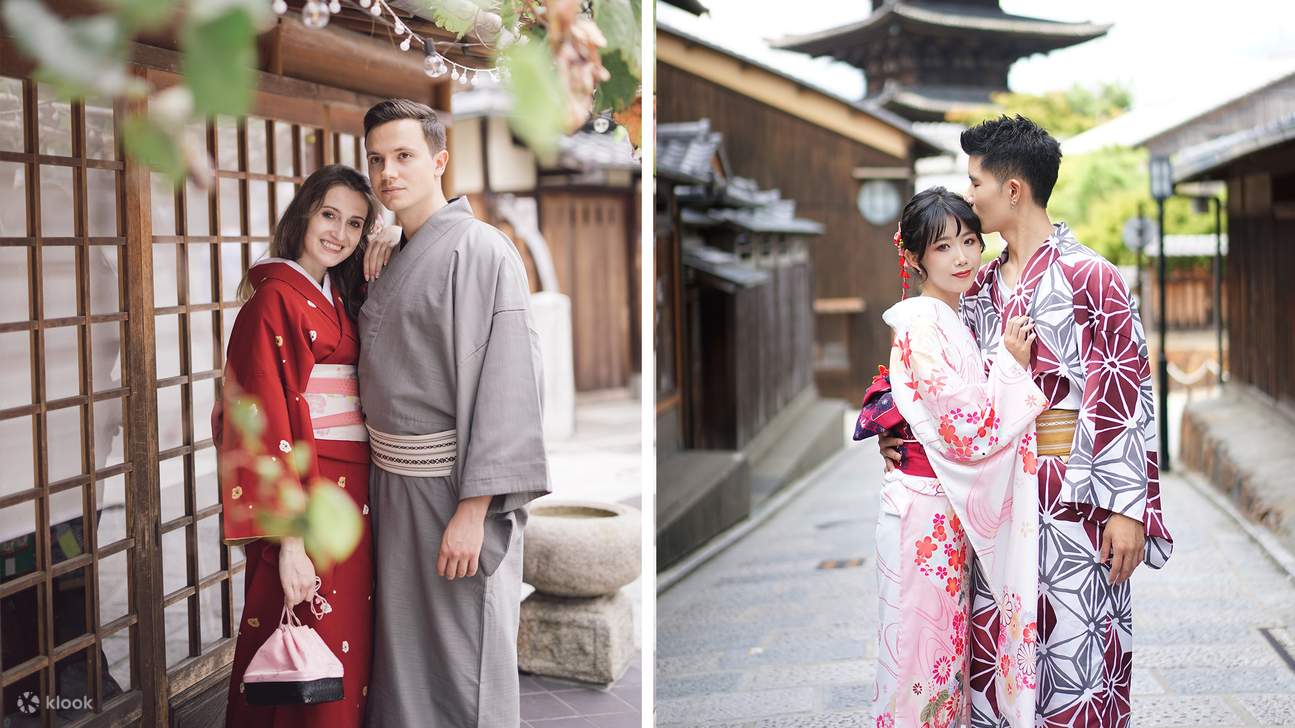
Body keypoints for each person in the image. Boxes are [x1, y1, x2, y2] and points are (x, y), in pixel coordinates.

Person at [881, 116, 1173, 727]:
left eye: (975, 182)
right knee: (1000, 667)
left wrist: (1127, 508)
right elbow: (939, 375)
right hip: (998, 506)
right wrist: (894, 423)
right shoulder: (978, 284)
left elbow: (1125, 392)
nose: (968, 196)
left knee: (1078, 662)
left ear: (1013, 190)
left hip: (1076, 496)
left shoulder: (1092, 276)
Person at [356, 99, 550, 727]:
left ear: (439, 160)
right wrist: (384, 239)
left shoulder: (483, 251)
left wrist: (474, 512)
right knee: (401, 658)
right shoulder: (388, 251)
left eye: (405, 156)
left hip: (451, 491)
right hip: (390, 487)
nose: (389, 172)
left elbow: (510, 388)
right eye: (378, 159)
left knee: (463, 653)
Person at [859, 188, 1045, 728]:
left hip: (939, 511)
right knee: (920, 658)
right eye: (944, 247)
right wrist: (1012, 366)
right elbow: (967, 429)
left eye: (969, 241)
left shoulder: (950, 320)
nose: (963, 257)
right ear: (915, 258)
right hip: (923, 512)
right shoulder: (922, 322)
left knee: (939, 659)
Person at [218, 164, 381, 727]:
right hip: (306, 499)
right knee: (297, 646)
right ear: (304, 214)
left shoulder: (339, 294)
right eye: (329, 215)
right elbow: (256, 423)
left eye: (355, 224)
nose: (339, 233)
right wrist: (288, 540)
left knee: (341, 647)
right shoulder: (273, 301)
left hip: (350, 494)